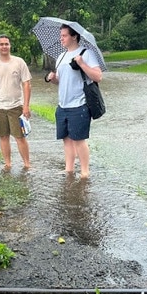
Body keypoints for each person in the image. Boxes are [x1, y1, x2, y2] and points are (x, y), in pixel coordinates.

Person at [44, 24, 102, 178]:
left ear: (74, 36)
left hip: (80, 104)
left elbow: (98, 77)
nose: (61, 38)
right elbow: (61, 81)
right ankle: (69, 169)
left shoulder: (86, 53)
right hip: (62, 105)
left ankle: (84, 172)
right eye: (61, 35)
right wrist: (53, 79)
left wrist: (82, 63)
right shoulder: (61, 57)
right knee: (66, 139)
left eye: (64, 35)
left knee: (79, 140)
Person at [0, 35, 32, 169]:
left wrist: (26, 106)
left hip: (16, 106)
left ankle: (27, 164)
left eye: (6, 44)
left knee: (20, 137)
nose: (4, 47)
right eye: (1, 44)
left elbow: (26, 84)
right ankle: (8, 164)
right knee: (3, 136)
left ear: (10, 46)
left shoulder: (19, 62)